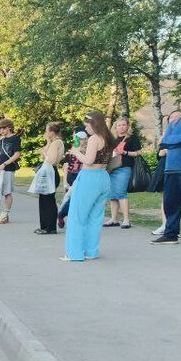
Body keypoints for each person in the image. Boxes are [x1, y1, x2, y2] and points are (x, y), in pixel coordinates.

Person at [63, 111, 116, 261]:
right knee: (95, 217)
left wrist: (75, 152)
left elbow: (89, 160)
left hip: (89, 178)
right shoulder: (108, 138)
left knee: (77, 216)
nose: (86, 129)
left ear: (94, 124)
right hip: (103, 177)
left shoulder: (94, 138)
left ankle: (74, 253)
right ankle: (91, 252)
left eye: (87, 126)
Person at [152, 105, 181, 245]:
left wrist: (168, 141)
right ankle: (171, 234)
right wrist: (171, 141)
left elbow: (171, 140)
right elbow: (162, 143)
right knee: (170, 203)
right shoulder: (174, 123)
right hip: (171, 169)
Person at [105, 118, 141, 229]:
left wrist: (125, 152)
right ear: (115, 127)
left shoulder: (132, 138)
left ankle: (126, 220)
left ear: (128, 126)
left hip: (124, 168)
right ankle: (114, 219)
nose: (121, 127)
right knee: (112, 195)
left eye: (124, 125)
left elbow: (138, 153)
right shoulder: (113, 139)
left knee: (121, 193)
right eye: (119, 125)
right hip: (112, 168)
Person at [34, 122, 64, 234]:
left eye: (47, 131)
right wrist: (47, 142)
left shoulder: (57, 143)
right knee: (43, 199)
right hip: (47, 171)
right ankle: (44, 226)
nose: (45, 133)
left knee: (49, 200)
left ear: (52, 132)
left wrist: (43, 152)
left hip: (51, 172)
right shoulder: (52, 142)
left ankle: (50, 227)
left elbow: (51, 160)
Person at [57, 127, 86, 229]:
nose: (79, 140)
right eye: (76, 137)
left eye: (82, 138)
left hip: (82, 176)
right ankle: (62, 215)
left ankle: (69, 218)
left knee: (79, 199)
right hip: (71, 176)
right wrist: (65, 181)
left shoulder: (87, 149)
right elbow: (66, 166)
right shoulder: (71, 150)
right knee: (71, 199)